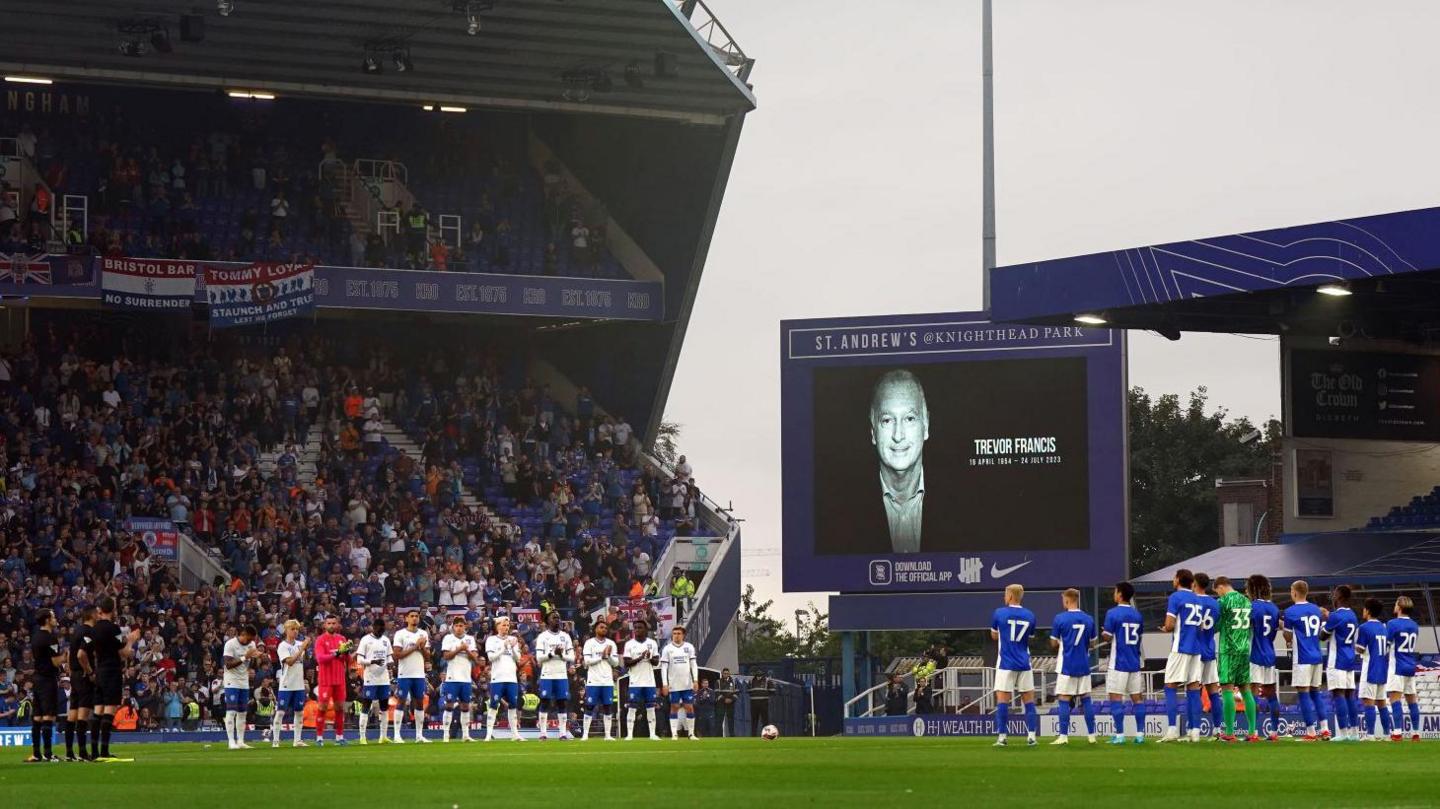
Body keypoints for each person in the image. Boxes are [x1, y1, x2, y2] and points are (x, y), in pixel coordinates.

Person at [870, 369, 928, 553]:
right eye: (887, 420)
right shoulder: (836, 515)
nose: (898, 435)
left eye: (909, 418)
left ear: (925, 426)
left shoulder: (968, 506)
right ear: (873, 432)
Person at [92, 596, 141, 761]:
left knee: (98, 711)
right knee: (109, 710)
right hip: (112, 671)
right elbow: (125, 652)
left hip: (99, 671)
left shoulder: (95, 628)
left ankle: (94, 751)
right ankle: (104, 752)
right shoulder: (113, 629)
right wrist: (132, 640)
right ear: (112, 610)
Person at [990, 583, 1039, 746]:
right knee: (1029, 700)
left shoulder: (999, 613)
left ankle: (1002, 737)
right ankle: (1031, 736)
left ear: (1010, 596)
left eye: (1005, 594)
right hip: (1024, 662)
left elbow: (994, 636)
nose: (1004, 597)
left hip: (1005, 662)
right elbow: (1029, 638)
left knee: (1003, 699)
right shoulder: (1030, 615)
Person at [1158, 568, 1201, 743]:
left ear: (1177, 580)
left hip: (1180, 646)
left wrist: (1165, 628)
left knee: (1170, 685)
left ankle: (1172, 730)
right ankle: (1195, 731)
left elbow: (1169, 624)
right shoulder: (1197, 598)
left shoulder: (1175, 597)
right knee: (1193, 688)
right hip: (1195, 648)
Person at [1050, 588, 1097, 745]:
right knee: (1086, 698)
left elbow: (1053, 643)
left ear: (1067, 600)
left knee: (1064, 698)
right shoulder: (1089, 619)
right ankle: (1091, 736)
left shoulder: (1060, 618)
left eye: (1063, 599)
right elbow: (1093, 642)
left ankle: (1063, 736)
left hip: (1066, 665)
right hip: (1083, 664)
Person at [1281, 580, 1326, 741]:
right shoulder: (1316, 610)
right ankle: (1325, 729)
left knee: (1304, 694)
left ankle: (1311, 732)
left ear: (1294, 592)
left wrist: (1283, 629)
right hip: (1317, 656)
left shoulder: (1290, 611)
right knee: (1316, 692)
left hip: (1303, 658)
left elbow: (1287, 635)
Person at [1101, 581, 1146, 744]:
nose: (1114, 594)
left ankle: (1120, 735)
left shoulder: (1112, 613)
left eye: (1115, 591)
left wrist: (1105, 634)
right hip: (1134, 662)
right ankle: (1140, 735)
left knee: (1115, 698)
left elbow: (1107, 636)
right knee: (1137, 699)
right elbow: (1139, 636)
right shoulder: (1138, 615)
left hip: (1118, 662)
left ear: (1120, 594)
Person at [1214, 576, 1257, 741]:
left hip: (1228, 650)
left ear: (1221, 586)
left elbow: (1217, 624)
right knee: (1246, 690)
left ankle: (1230, 733)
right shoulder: (1247, 601)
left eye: (1218, 591)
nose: (1218, 595)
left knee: (1227, 689)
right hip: (1245, 650)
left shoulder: (1223, 602)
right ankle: (1252, 732)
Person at [1247, 574, 1283, 741]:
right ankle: (1274, 732)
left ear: (1253, 588)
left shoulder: (1252, 607)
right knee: (1271, 694)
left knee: (1252, 692)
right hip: (1270, 653)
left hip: (1255, 654)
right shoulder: (1275, 608)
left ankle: (1253, 732)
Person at [1322, 585, 1359, 741]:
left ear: (1340, 597)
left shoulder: (1335, 616)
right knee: (1350, 695)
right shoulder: (1353, 615)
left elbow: (1322, 636)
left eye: (1335, 594)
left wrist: (1325, 620)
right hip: (1350, 659)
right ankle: (1354, 733)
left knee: (1338, 694)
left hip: (1337, 660)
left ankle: (1342, 733)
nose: (1333, 596)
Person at [27, 608, 64, 762]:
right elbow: (55, 661)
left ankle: (36, 753)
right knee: (48, 715)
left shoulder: (35, 637)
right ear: (48, 620)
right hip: (48, 680)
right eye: (53, 616)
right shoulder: (51, 638)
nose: (55, 619)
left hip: (37, 679)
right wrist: (65, 656)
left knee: (37, 716)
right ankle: (48, 754)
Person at [222, 624, 266, 750]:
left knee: (242, 712)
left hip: (244, 681)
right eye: (250, 638)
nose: (251, 641)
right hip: (231, 681)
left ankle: (240, 741)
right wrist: (245, 656)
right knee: (231, 711)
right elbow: (228, 665)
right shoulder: (230, 644)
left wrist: (257, 657)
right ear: (244, 634)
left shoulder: (251, 644)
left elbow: (250, 663)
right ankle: (231, 741)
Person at [1190, 573, 1223, 740]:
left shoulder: (1192, 601)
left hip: (1195, 651)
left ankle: (1193, 730)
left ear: (1195, 584)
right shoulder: (1215, 604)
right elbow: (1217, 626)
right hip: (1210, 649)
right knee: (1213, 692)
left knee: (1193, 691)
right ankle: (1218, 730)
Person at [390, 608, 431, 743]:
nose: (414, 618)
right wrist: (415, 647)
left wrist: (423, 647)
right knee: (401, 701)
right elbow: (396, 655)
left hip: (419, 674)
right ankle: (397, 735)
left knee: (419, 702)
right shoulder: (400, 634)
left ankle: (419, 735)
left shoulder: (423, 634)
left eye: (416, 616)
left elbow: (428, 656)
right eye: (412, 616)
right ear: (406, 618)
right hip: (405, 673)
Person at [534, 612, 575, 740]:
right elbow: (539, 658)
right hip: (547, 675)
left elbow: (572, 657)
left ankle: (562, 733)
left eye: (558, 617)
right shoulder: (542, 637)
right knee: (545, 702)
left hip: (561, 675)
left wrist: (562, 655)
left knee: (562, 702)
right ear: (548, 621)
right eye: (554, 618)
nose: (557, 620)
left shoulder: (566, 636)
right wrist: (552, 654)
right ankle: (543, 733)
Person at [1387, 596, 1422, 741]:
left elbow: (1387, 645)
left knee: (1395, 700)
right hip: (1410, 665)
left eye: (1395, 604)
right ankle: (1416, 733)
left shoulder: (1392, 623)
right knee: (1412, 700)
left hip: (1397, 666)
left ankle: (1397, 732)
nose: (1394, 606)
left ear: (1399, 607)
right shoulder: (1414, 625)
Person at [313, 614, 352, 746]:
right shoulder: (320, 640)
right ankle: (319, 737)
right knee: (323, 707)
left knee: (340, 708)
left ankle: (339, 737)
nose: (331, 625)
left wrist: (346, 653)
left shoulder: (342, 639)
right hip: (325, 679)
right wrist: (336, 653)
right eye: (328, 623)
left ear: (337, 624)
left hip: (339, 679)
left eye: (333, 623)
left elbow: (348, 661)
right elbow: (320, 659)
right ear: (325, 625)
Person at [1356, 598, 1391, 740]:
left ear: (1368, 611)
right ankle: (1387, 734)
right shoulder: (1384, 627)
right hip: (1382, 669)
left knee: (1368, 702)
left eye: (1364, 608)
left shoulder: (1364, 628)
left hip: (1370, 667)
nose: (1363, 611)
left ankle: (1370, 734)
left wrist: (1353, 645)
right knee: (1382, 702)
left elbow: (1360, 649)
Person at [484, 616, 523, 741]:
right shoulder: (491, 640)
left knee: (513, 705)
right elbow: (491, 658)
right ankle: (489, 734)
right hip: (497, 678)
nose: (506, 628)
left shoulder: (513, 639)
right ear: (497, 626)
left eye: (507, 625)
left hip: (511, 678)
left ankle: (515, 734)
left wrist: (512, 647)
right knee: (493, 705)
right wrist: (503, 647)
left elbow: (518, 658)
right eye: (504, 625)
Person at [441, 616, 480, 742]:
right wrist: (459, 649)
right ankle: (446, 735)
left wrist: (466, 650)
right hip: (452, 677)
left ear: (465, 627)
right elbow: (446, 656)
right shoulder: (448, 638)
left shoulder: (469, 639)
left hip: (466, 678)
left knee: (465, 706)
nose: (459, 628)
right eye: (456, 625)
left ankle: (465, 735)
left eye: (461, 625)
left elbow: (475, 658)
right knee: (449, 705)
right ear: (453, 627)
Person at [273, 619, 310, 747]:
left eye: (297, 629)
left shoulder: (300, 644)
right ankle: (276, 741)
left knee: (299, 712)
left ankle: (297, 740)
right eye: (292, 629)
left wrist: (307, 648)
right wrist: (302, 649)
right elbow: (289, 661)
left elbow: (305, 660)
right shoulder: (283, 646)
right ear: (286, 630)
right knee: (280, 712)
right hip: (286, 684)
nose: (295, 631)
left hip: (299, 684)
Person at [623, 619, 662, 740]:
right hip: (635, 681)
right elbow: (626, 663)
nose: (637, 630)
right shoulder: (629, 644)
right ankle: (629, 734)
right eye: (635, 628)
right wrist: (640, 657)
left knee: (650, 707)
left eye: (640, 627)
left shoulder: (652, 643)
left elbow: (656, 662)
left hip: (649, 681)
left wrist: (649, 657)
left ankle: (652, 734)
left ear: (645, 629)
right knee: (632, 707)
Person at [66, 606, 97, 761]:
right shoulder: (88, 632)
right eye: (97, 613)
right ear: (92, 615)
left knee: (72, 712)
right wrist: (90, 671)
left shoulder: (76, 631)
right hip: (83, 675)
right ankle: (83, 752)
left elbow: (69, 653)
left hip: (75, 675)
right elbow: (80, 654)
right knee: (83, 714)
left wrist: (71, 671)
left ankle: (69, 752)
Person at [357, 617, 393, 744]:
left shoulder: (386, 640)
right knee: (366, 706)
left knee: (384, 707)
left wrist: (390, 663)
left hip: (383, 678)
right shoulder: (365, 640)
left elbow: (389, 657)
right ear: (373, 627)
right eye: (379, 628)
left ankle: (383, 736)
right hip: (370, 678)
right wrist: (372, 661)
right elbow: (359, 660)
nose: (381, 631)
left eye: (383, 629)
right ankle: (362, 737)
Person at [581, 621, 620, 740]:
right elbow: (587, 661)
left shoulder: (611, 643)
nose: (604, 629)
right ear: (595, 629)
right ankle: (585, 735)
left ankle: (608, 735)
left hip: (607, 681)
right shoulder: (589, 643)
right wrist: (601, 656)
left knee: (608, 707)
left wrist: (607, 657)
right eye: (601, 627)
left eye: (605, 628)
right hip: (593, 680)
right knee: (589, 707)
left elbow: (616, 663)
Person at [660, 625, 700, 740]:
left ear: (683, 635)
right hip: (673, 684)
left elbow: (693, 665)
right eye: (674, 633)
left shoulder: (689, 647)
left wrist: (695, 680)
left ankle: (691, 734)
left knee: (689, 707)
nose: (676, 636)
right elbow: (664, 668)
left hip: (687, 684)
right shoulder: (667, 648)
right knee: (674, 707)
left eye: (678, 633)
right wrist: (665, 684)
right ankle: (674, 734)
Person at [747, 670, 774, 735]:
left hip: (763, 703)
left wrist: (765, 696)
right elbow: (748, 691)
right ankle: (753, 735)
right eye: (758, 675)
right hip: (754, 703)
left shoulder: (767, 681)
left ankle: (766, 735)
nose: (759, 676)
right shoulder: (751, 681)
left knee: (765, 720)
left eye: (760, 675)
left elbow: (772, 691)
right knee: (754, 720)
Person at [715, 668, 738, 737]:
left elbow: (737, 693)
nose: (726, 675)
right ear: (722, 674)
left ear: (729, 674)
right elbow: (717, 693)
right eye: (724, 673)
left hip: (731, 704)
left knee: (731, 720)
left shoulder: (733, 682)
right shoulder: (718, 682)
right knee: (719, 720)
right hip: (721, 704)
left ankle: (732, 735)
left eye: (727, 673)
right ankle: (719, 736)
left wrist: (731, 699)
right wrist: (725, 699)